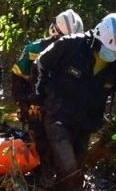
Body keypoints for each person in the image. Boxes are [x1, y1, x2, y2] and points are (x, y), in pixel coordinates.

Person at [34, 11, 116, 191]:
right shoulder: (71, 45)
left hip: (86, 125)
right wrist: (39, 98)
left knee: (76, 170)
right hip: (57, 117)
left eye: (115, 52)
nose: (110, 55)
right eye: (107, 48)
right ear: (98, 37)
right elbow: (41, 65)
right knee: (69, 167)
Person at [10, 9, 85, 173]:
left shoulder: (78, 54)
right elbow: (17, 76)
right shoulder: (33, 49)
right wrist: (23, 103)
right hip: (36, 105)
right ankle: (39, 176)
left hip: (61, 108)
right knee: (39, 144)